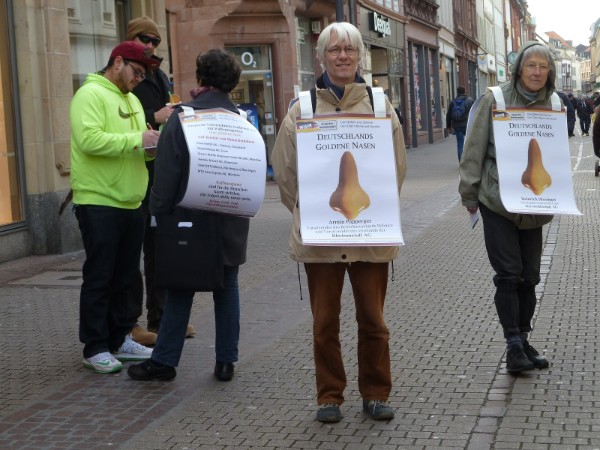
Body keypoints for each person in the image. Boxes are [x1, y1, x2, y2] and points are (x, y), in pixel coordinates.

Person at [272, 22, 407, 423]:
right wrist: (312, 210)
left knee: (374, 320)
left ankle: (376, 393)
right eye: (334, 50)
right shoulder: (303, 110)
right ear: (322, 57)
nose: (343, 56)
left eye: (349, 49)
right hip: (321, 238)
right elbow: (285, 172)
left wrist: (373, 212)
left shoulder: (381, 107)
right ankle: (329, 396)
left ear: (360, 56)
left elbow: (395, 170)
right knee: (324, 324)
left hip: (370, 235)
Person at [127, 49, 250, 382]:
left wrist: (157, 211)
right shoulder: (241, 121)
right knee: (228, 286)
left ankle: (165, 362)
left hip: (187, 219)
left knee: (180, 288)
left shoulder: (183, 118)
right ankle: (226, 362)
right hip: (231, 219)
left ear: (200, 79)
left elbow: (166, 173)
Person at [459, 41, 555, 374]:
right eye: (531, 66)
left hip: (535, 203)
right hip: (497, 200)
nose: (537, 72)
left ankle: (524, 338)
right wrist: (469, 193)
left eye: (543, 67)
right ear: (519, 69)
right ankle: (513, 344)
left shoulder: (554, 102)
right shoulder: (495, 100)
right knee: (508, 275)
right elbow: (473, 147)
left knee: (530, 276)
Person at [70, 41, 161, 373]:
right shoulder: (89, 95)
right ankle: (94, 346)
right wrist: (138, 140)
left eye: (143, 74)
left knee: (125, 277)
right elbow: (89, 140)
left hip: (131, 201)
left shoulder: (134, 101)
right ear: (118, 62)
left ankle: (120, 337)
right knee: (100, 276)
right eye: (136, 72)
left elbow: (135, 144)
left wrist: (149, 147)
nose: (139, 79)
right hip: (98, 201)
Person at [124, 16, 195, 346]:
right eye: (143, 39)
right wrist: (157, 115)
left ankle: (162, 318)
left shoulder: (159, 74)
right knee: (131, 257)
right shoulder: (125, 79)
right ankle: (131, 324)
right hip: (133, 178)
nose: (150, 45)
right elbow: (130, 125)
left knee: (160, 250)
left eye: (154, 41)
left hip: (158, 175)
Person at [446, 86, 474, 161]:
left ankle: (461, 162)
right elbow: (475, 112)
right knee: (469, 143)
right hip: (467, 124)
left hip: (457, 125)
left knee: (460, 143)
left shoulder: (453, 101)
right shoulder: (470, 100)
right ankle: (469, 160)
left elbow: (448, 114)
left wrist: (448, 126)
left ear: (457, 92)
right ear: (464, 91)